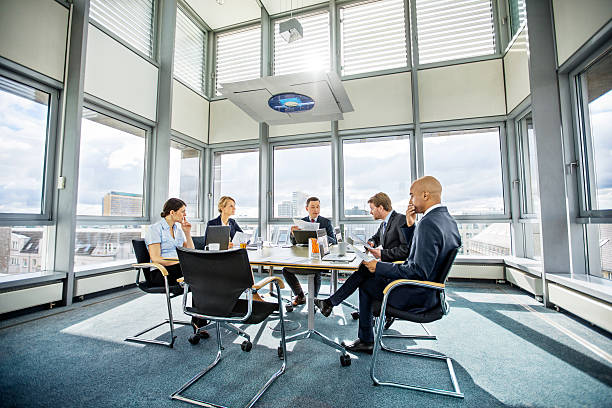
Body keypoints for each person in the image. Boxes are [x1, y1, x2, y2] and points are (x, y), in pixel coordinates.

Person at [315, 176, 461, 354]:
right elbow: (418, 254)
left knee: (366, 283)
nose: (410, 201)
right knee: (366, 272)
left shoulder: (428, 224)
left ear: (425, 195)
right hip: (431, 293)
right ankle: (335, 307)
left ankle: (365, 338)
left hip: (418, 295)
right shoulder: (446, 220)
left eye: (412, 195)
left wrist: (380, 266)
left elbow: (417, 269)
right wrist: (410, 225)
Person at [145, 198, 207, 334]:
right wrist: (181, 262)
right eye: (183, 212)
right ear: (172, 212)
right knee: (199, 273)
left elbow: (190, 251)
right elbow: (156, 258)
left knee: (202, 275)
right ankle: (200, 322)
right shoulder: (155, 229)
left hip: (179, 270)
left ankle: (200, 321)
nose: (185, 215)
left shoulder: (178, 230)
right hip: (160, 273)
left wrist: (187, 232)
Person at [282, 197, 337, 306]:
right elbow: (294, 242)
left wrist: (320, 235)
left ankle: (314, 300)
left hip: (318, 256)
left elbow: (334, 241)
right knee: (286, 270)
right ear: (307, 208)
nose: (316, 209)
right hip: (302, 256)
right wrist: (293, 234)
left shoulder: (325, 222)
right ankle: (300, 295)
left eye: (318, 207)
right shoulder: (302, 222)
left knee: (316, 271)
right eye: (313, 207)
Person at [364, 192, 410, 262]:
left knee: (361, 270)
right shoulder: (384, 223)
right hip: (387, 262)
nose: (370, 212)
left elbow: (405, 250)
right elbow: (376, 238)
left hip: (396, 266)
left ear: (380, 208)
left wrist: (382, 254)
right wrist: (371, 242)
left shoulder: (401, 220)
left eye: (372, 209)